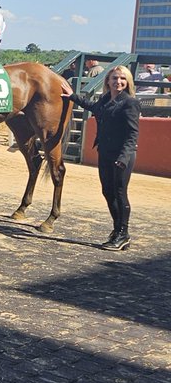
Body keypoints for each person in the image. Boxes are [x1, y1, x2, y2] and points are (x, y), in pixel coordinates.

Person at [63, 66, 141, 251]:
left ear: (128, 82)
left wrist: (123, 157)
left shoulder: (130, 103)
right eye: (114, 78)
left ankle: (123, 233)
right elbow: (92, 106)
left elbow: (132, 135)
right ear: (108, 81)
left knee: (120, 193)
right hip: (105, 152)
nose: (118, 82)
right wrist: (72, 96)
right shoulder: (105, 99)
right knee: (108, 192)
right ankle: (117, 231)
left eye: (122, 78)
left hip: (122, 155)